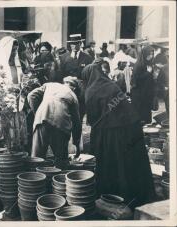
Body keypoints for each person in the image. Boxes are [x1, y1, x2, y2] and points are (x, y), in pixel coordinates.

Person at [81, 63, 155, 209]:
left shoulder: (91, 90)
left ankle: (115, 195)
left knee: (114, 162)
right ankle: (136, 195)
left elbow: (92, 120)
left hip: (111, 132)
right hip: (131, 128)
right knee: (130, 162)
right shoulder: (112, 85)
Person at [27, 76, 82, 169]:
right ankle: (60, 179)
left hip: (41, 119)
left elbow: (31, 96)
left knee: (36, 158)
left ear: (64, 83)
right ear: (74, 88)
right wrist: (76, 144)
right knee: (61, 161)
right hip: (60, 123)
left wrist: (38, 113)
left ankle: (36, 179)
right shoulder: (73, 96)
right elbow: (77, 123)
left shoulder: (50, 85)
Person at [130, 45, 156, 124]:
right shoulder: (138, 65)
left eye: (152, 54)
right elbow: (135, 80)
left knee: (147, 115)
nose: (150, 56)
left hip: (146, 93)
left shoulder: (149, 64)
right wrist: (147, 73)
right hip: (139, 94)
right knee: (140, 116)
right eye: (149, 54)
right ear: (144, 54)